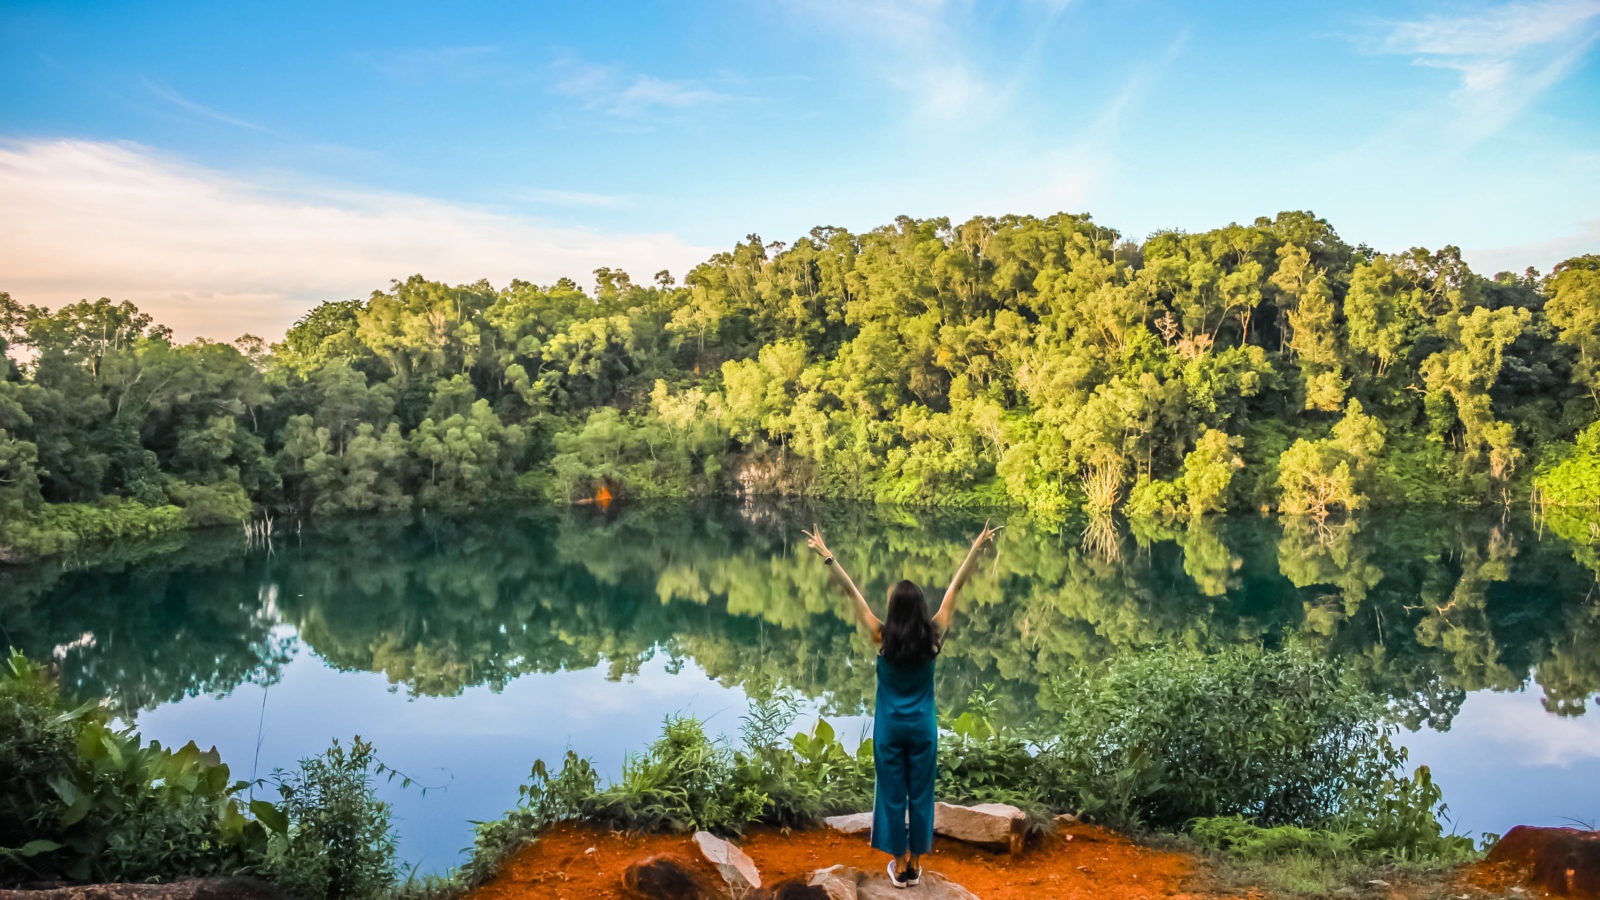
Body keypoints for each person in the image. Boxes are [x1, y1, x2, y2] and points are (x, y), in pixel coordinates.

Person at [801, 519, 1003, 889]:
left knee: (892, 792)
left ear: (893, 608)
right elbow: (957, 585)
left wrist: (828, 556)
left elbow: (852, 594)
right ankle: (914, 864)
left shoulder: (881, 635)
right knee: (922, 792)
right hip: (923, 728)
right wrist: (977, 548)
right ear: (920, 607)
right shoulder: (934, 632)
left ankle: (897, 864)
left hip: (891, 729)